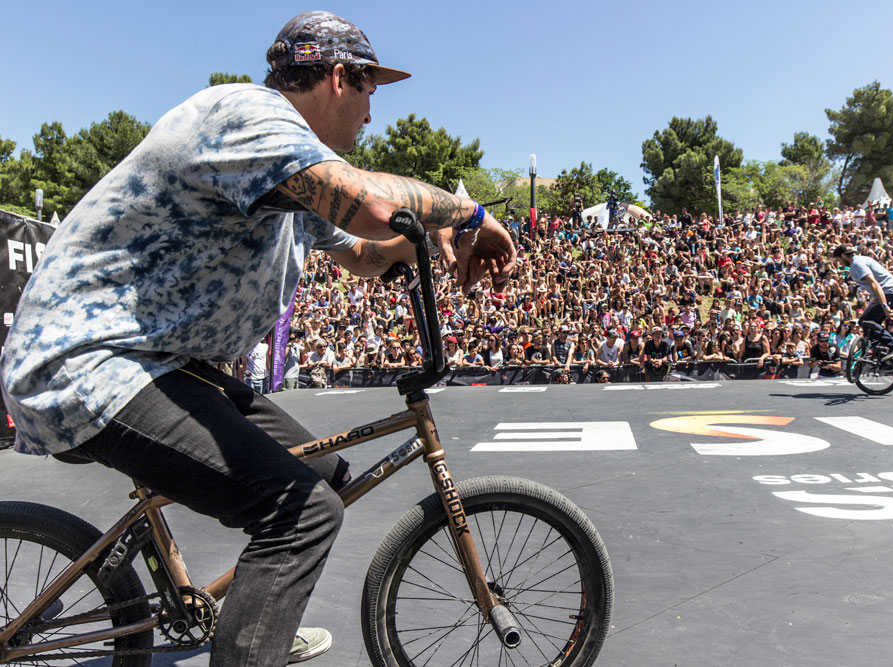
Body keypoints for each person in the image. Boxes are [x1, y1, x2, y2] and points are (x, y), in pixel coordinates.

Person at [0, 11, 515, 666]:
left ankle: (257, 615)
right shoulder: (246, 118)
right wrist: (469, 211)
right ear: (337, 77)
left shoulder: (291, 176)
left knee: (322, 472)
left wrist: (431, 242)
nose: (371, 116)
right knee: (302, 513)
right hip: (86, 361)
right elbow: (373, 205)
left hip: (155, 362)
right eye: (369, 92)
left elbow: (362, 249)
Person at [831, 245, 893, 359]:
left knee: (864, 321)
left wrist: (884, 306)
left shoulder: (857, 264)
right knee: (870, 329)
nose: (840, 263)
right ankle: (883, 360)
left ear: (843, 256)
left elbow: (874, 283)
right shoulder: (862, 260)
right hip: (889, 292)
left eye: (839, 260)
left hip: (889, 292)